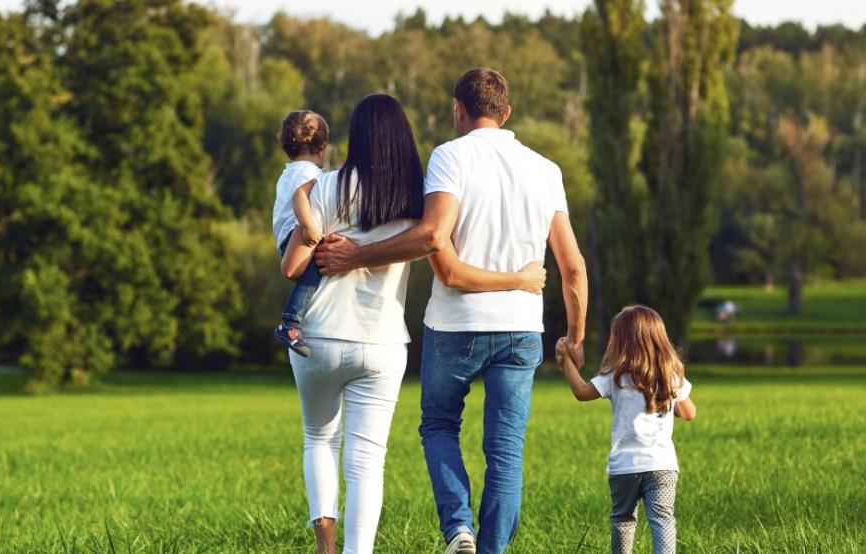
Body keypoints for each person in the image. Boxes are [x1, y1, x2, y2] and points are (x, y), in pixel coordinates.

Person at [313, 67, 588, 554]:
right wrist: (576, 337)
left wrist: (355, 255)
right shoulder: (546, 170)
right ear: (507, 114)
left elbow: (434, 241)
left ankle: (458, 530)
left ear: (459, 110)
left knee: (439, 425)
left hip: (455, 326)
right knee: (505, 453)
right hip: (521, 329)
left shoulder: (449, 157)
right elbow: (571, 269)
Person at [555, 305, 697, 554]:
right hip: (662, 466)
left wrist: (567, 360)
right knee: (662, 520)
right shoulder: (671, 376)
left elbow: (581, 392)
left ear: (619, 341)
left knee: (623, 520)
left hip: (625, 467)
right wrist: (667, 401)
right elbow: (689, 413)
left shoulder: (615, 376)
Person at [272, 110, 331, 357]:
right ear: (323, 147)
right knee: (315, 271)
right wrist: (308, 226)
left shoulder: (288, 172)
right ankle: (291, 321)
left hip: (285, 238)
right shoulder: (311, 174)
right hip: (297, 234)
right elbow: (300, 200)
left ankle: (294, 321)